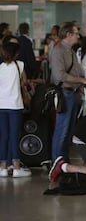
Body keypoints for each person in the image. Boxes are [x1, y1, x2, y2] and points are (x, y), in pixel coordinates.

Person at [49, 22, 86, 163]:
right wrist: (81, 80)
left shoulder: (70, 50)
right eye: (76, 33)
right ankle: (57, 161)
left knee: (69, 130)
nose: (78, 36)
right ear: (68, 35)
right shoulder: (58, 51)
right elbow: (60, 75)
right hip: (64, 93)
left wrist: (80, 85)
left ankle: (64, 160)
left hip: (73, 93)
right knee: (62, 129)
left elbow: (74, 70)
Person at [0, 40, 32, 178]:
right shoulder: (20, 65)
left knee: (4, 137)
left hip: (1, 106)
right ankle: (17, 167)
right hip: (14, 106)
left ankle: (3, 167)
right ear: (16, 53)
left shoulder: (0, 67)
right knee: (14, 136)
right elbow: (24, 82)